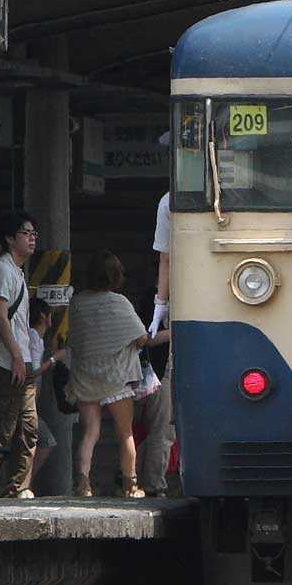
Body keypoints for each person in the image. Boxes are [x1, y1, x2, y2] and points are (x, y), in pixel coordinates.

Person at [66, 250, 149, 498]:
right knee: (125, 433)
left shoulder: (77, 303)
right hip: (116, 379)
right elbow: (141, 338)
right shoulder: (119, 302)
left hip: (85, 378)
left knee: (89, 433)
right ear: (114, 275)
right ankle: (130, 486)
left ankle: (83, 484)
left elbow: (74, 339)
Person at [0, 211, 38, 498]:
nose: (32, 238)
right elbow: (0, 315)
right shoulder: (2, 268)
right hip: (7, 362)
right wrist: (17, 358)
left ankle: (18, 487)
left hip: (24, 360)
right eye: (26, 233)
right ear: (10, 239)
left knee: (28, 428)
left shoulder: (18, 271)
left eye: (34, 233)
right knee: (3, 430)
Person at [139, 193, 173, 496]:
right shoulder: (150, 301)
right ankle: (153, 485)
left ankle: (156, 482)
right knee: (162, 431)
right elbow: (145, 338)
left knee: (166, 432)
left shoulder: (165, 202)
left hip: (166, 370)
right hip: (159, 374)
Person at [27, 298, 66, 483]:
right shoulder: (33, 337)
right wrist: (54, 359)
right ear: (43, 316)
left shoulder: (36, 338)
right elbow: (33, 371)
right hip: (25, 404)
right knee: (46, 441)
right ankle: (23, 484)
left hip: (29, 405)